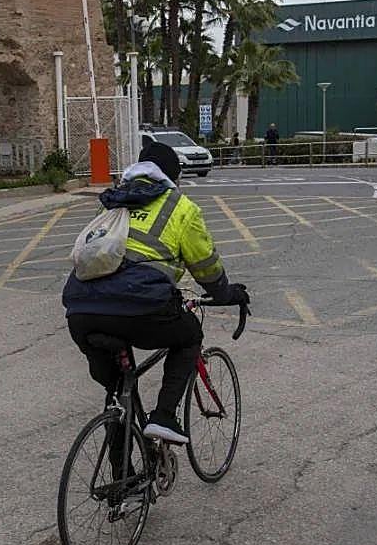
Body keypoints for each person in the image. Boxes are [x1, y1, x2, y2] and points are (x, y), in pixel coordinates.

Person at [63, 141, 249, 445]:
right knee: (189, 336)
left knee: (119, 390)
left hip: (81, 311)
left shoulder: (112, 202)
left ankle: (120, 470)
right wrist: (227, 294)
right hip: (140, 306)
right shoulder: (180, 207)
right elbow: (205, 267)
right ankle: (163, 416)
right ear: (174, 177)